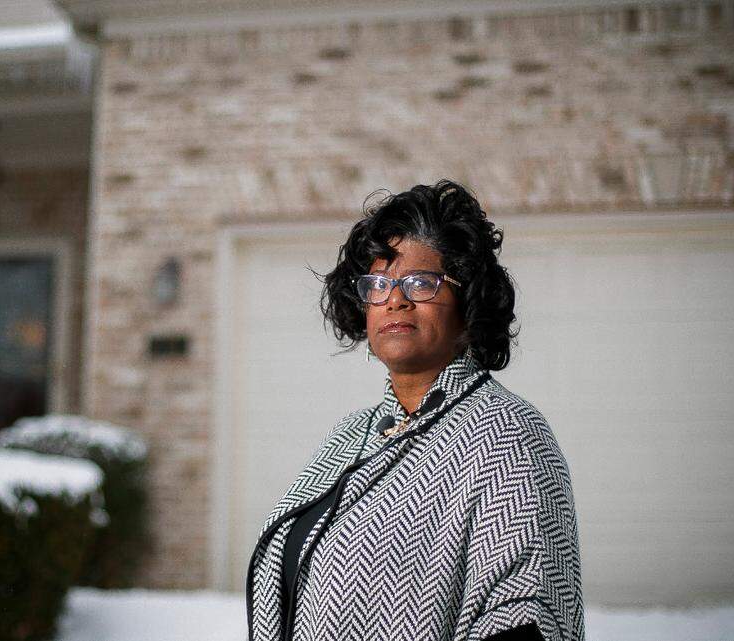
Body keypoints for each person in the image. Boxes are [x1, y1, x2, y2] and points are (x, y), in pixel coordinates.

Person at [245, 180, 583, 641]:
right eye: (378, 284)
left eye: (421, 283)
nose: (395, 299)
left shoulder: (507, 434)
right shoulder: (349, 436)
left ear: (469, 302)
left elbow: (527, 616)